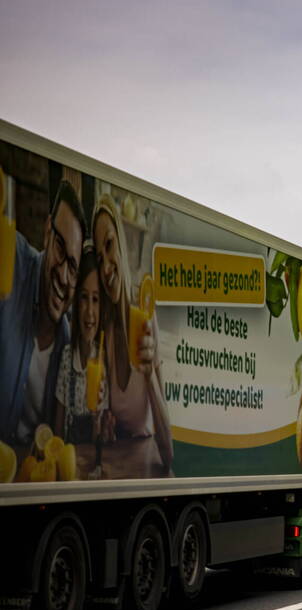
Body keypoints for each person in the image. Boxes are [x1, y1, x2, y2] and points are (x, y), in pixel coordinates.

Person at [0, 180, 86, 445]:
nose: (62, 275)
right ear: (48, 230)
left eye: (73, 267)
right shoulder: (11, 260)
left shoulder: (68, 345)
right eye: (60, 248)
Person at [93, 194, 173, 474]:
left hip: (149, 465)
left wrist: (150, 374)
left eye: (110, 246)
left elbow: (169, 453)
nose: (106, 268)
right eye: (99, 257)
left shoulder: (145, 319)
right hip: (120, 467)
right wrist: (103, 424)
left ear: (122, 246)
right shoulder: (105, 331)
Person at [54, 246, 108, 444]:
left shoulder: (103, 365)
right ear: (77, 302)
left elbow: (100, 442)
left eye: (95, 300)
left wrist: (98, 420)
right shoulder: (67, 358)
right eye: (84, 298)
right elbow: (58, 434)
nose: (90, 312)